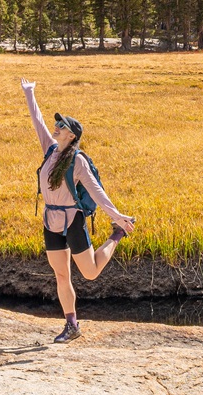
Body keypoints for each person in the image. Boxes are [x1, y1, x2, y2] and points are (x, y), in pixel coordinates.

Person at [21, 77, 135, 343]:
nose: (56, 128)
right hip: (51, 220)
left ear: (71, 135)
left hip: (72, 220)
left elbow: (97, 192)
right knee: (62, 274)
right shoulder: (50, 150)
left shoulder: (78, 161)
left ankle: (117, 234)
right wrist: (30, 93)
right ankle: (71, 325)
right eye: (57, 125)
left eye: (61, 126)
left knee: (90, 272)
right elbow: (36, 120)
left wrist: (117, 217)